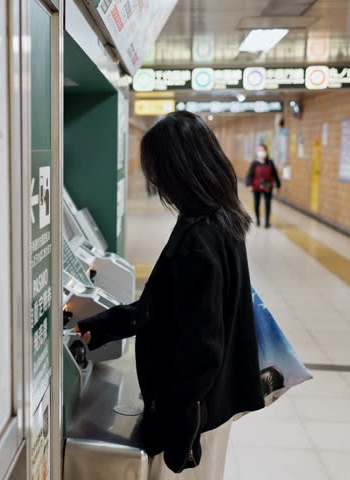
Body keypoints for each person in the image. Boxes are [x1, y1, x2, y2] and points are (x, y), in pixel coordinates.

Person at [73, 111, 264, 479]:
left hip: (197, 415)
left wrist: (178, 422)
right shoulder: (220, 218)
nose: (155, 181)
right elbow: (169, 305)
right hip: (214, 403)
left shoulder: (199, 240)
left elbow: (202, 348)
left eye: (156, 169)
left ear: (177, 169)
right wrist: (106, 324)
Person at [245, 144, 281, 228]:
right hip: (257, 186)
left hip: (267, 186)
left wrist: (278, 186)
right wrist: (249, 185)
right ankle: (258, 220)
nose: (261, 152)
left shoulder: (270, 162)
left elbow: (275, 174)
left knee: (268, 204)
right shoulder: (254, 163)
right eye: (260, 150)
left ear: (266, 151)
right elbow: (250, 175)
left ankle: (267, 222)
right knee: (257, 203)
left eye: (263, 150)